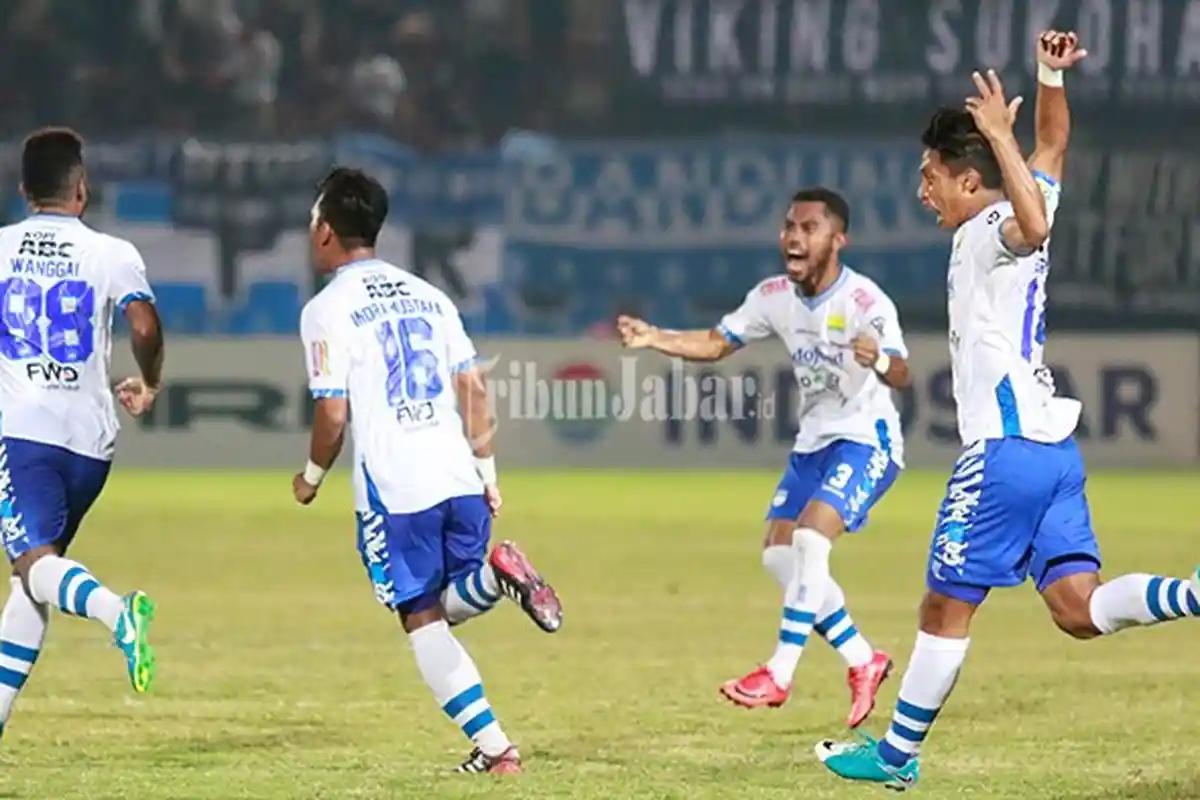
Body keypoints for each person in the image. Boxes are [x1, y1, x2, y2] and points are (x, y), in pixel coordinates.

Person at [813, 32, 1200, 792]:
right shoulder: (1018, 204)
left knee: (944, 605)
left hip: (1005, 449)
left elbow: (1035, 222)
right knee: (1077, 609)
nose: (922, 191)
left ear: (968, 179)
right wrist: (1050, 74)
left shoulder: (990, 229)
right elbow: (1051, 146)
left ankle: (895, 756)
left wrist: (996, 134)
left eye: (930, 176)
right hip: (1051, 450)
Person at [292, 167, 563, 774]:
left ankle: (496, 749)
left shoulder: (326, 309)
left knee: (420, 617)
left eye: (313, 221)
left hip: (398, 488)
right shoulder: (430, 295)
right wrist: (487, 473)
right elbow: (473, 388)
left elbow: (332, 412)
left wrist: (310, 477)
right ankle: (496, 576)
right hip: (458, 476)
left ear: (326, 230)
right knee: (449, 605)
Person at [618, 187, 910, 728]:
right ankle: (862, 659)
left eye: (809, 228)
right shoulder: (773, 295)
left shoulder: (865, 301)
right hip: (813, 442)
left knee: (810, 539)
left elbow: (903, 372)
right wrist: (655, 337)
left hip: (867, 439)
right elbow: (716, 343)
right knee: (779, 556)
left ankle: (780, 672)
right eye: (789, 227)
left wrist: (879, 360)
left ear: (838, 240)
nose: (794, 237)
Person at [0, 127, 164, 740]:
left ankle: (118, 614)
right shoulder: (112, 252)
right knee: (31, 579)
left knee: (34, 563)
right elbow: (143, 325)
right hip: (90, 443)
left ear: (24, 190)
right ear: (81, 189)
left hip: (22, 430)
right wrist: (150, 381)